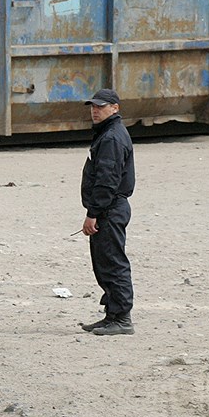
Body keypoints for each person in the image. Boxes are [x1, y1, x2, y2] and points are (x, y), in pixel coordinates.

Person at [79, 89, 136, 336]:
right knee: (104, 263)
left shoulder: (111, 138)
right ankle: (112, 315)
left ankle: (122, 319)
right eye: (93, 106)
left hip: (109, 210)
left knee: (113, 263)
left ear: (115, 108)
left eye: (100, 107)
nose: (95, 110)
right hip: (108, 208)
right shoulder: (107, 134)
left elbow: (107, 181)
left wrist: (93, 213)